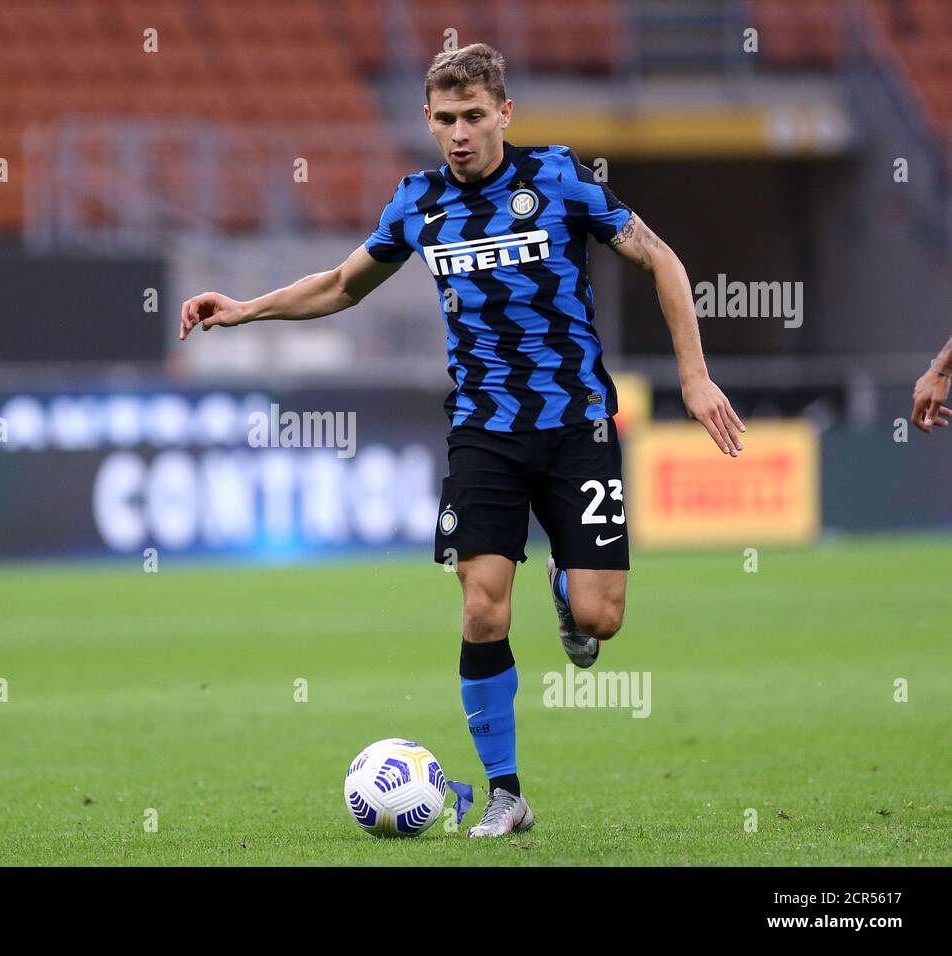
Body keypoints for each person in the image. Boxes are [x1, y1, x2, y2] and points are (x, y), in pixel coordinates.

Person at [178, 43, 744, 837]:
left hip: (576, 422)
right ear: (429, 121)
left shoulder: (558, 180)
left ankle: (567, 593)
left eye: (474, 117)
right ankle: (508, 792)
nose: (459, 134)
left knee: (601, 618)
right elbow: (343, 284)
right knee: (482, 610)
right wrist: (245, 309)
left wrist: (694, 377)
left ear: (504, 114)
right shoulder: (418, 203)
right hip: (484, 431)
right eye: (445, 120)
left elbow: (662, 259)